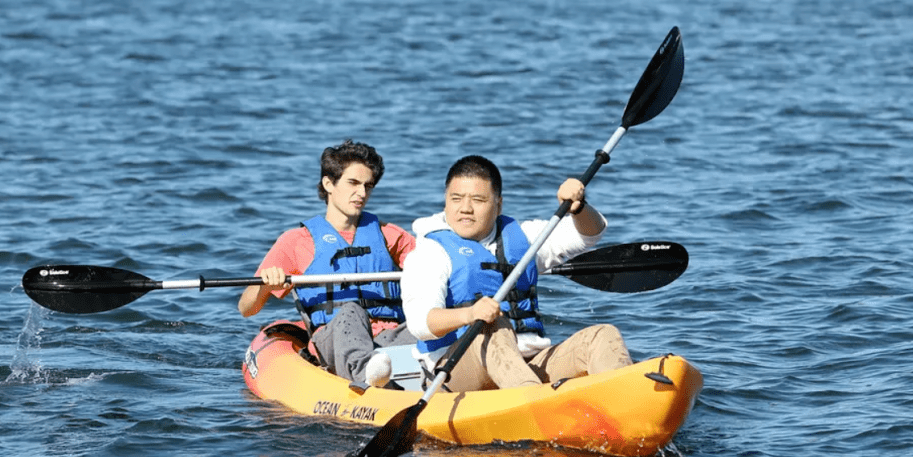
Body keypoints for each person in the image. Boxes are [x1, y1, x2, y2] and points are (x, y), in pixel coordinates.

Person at [400, 155, 633, 393]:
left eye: (478, 200)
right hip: (453, 372)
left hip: (529, 363)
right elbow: (420, 324)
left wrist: (579, 208)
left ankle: (626, 400)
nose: (465, 209)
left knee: (602, 336)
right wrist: (470, 314)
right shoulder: (430, 252)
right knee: (492, 326)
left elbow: (589, 234)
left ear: (498, 204)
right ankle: (536, 404)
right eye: (456, 199)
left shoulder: (524, 238)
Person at [238, 139, 415, 388]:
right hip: (334, 340)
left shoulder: (390, 236)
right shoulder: (296, 241)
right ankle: (368, 377)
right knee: (351, 311)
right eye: (353, 183)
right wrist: (266, 285)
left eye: (368, 186)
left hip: (389, 338)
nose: (362, 194)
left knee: (429, 325)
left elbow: (433, 272)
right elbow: (246, 308)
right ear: (328, 184)